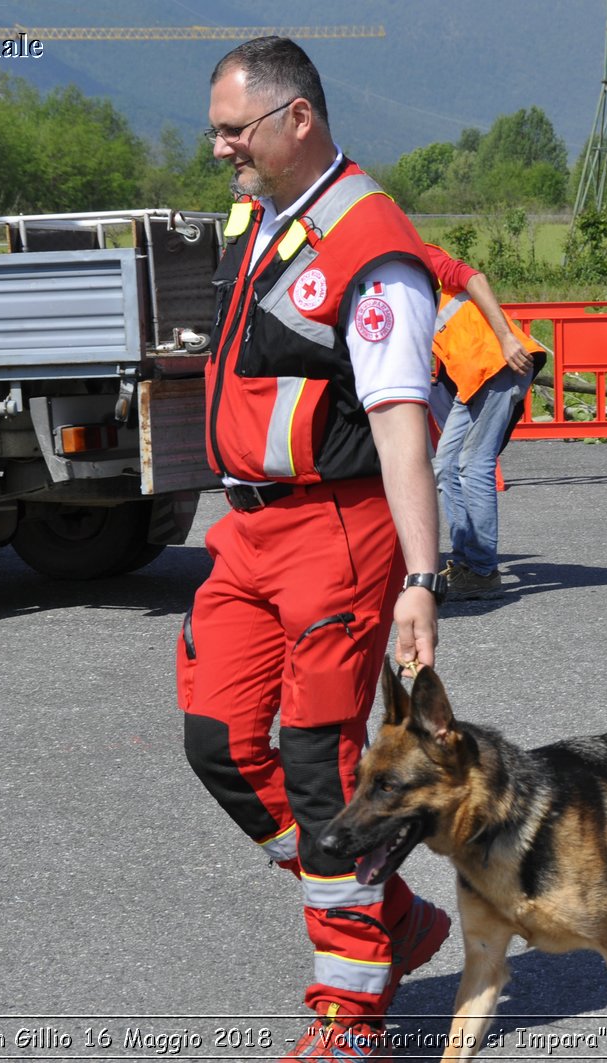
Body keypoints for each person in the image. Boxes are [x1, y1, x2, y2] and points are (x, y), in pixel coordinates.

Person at [176, 37, 450, 1061]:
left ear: (297, 120)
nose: (218, 148)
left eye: (233, 129)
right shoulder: (264, 212)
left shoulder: (372, 247)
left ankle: (352, 1014)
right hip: (247, 526)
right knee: (219, 743)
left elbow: (399, 427)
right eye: (216, 129)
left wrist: (421, 580)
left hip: (338, 528)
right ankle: (391, 914)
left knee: (321, 767)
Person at [424, 244, 547, 599]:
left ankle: (482, 570)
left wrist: (508, 338)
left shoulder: (418, 254)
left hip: (499, 364)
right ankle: (466, 564)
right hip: (472, 380)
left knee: (473, 464)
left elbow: (474, 278)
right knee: (446, 464)